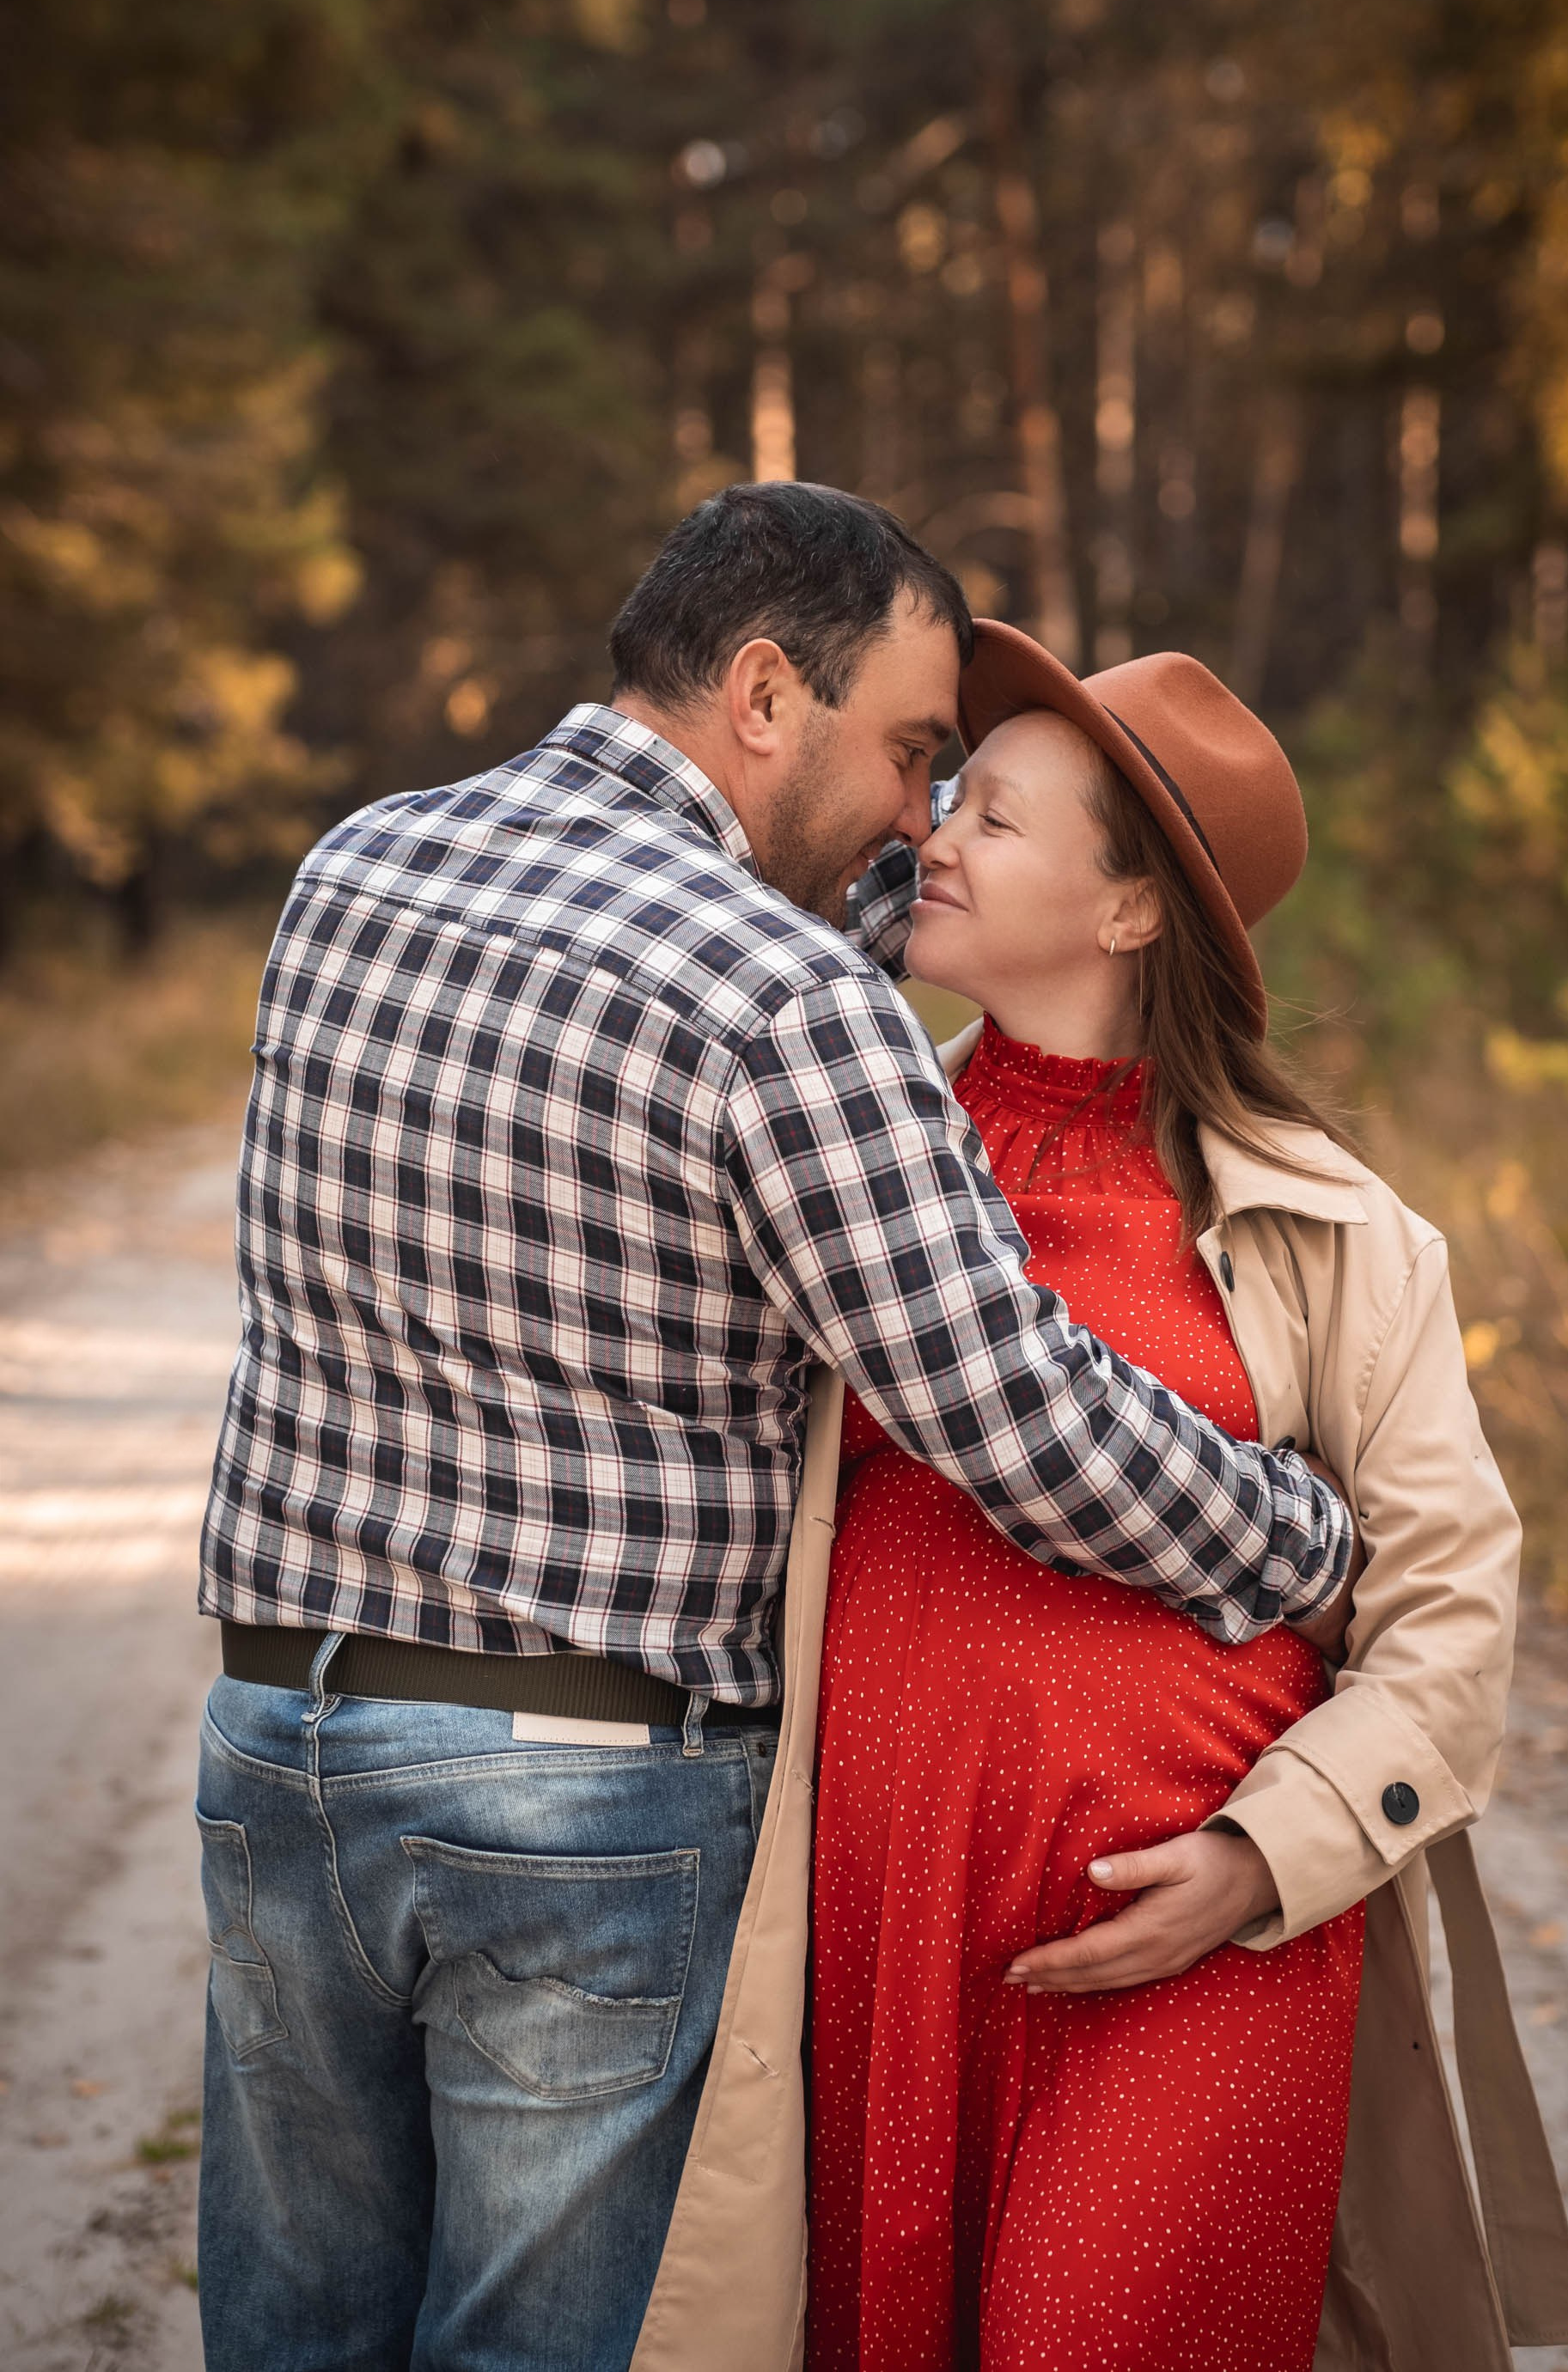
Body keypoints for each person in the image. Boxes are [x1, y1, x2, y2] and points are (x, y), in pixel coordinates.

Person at [192, 487, 1352, 2372]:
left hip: (280, 1745)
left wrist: (973, 884)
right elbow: (1009, 1407)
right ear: (757, 692)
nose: (917, 816)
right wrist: (1297, 1544)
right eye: (908, 756)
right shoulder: (776, 996)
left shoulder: (361, 868)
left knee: (292, 2331)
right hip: (575, 1797)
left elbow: (773, 911)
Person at [631, 621, 1568, 2372]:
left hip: (1200, 1962)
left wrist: (1256, 1858)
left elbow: (1451, 1618)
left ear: (1131, 908)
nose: (933, 835)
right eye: (948, 799)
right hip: (884, 1941)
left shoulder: (1342, 1230)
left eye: (992, 815)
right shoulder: (839, 1158)